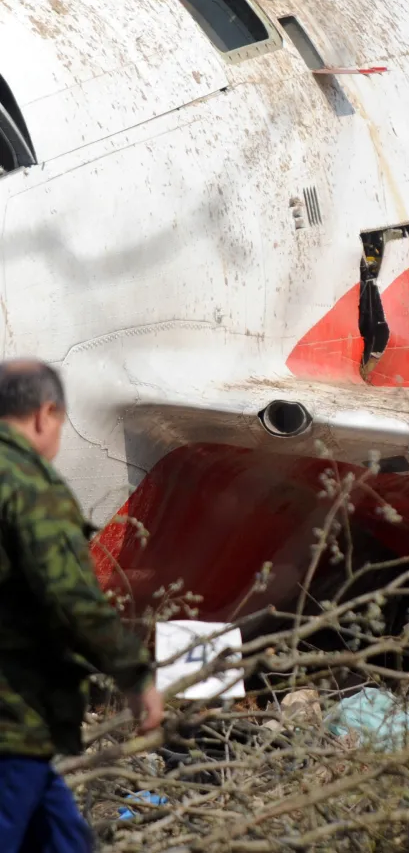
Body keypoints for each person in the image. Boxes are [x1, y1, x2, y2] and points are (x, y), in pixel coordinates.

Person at [0, 360, 161, 851]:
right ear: (46, 414)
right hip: (13, 719)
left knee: (65, 841)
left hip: (25, 734)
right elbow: (71, 597)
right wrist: (134, 673)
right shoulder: (29, 489)